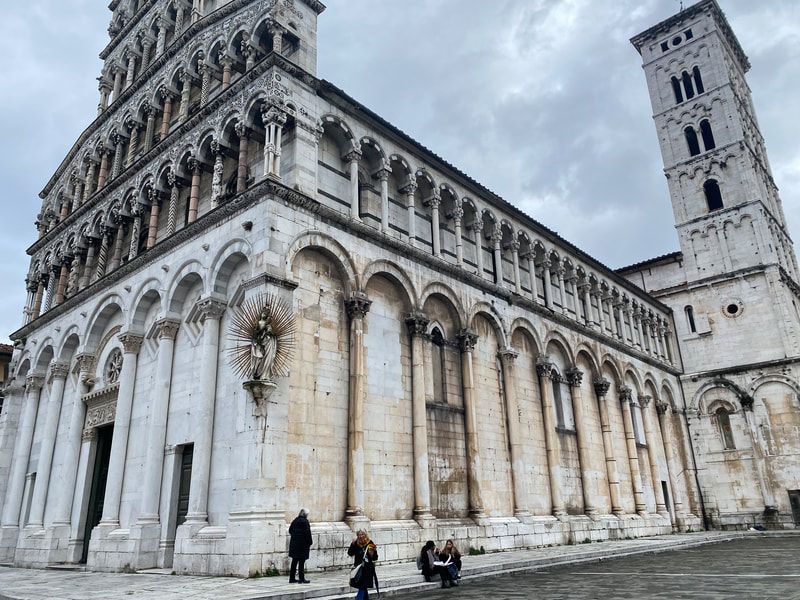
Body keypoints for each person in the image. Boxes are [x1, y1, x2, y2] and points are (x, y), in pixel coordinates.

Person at [348, 529, 378, 600]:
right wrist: (352, 545)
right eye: (359, 535)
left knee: (363, 586)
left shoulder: (370, 543)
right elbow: (350, 553)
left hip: (367, 569)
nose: (361, 536)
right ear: (357, 535)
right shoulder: (355, 543)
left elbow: (375, 557)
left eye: (362, 534)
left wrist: (372, 553)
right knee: (363, 586)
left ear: (365, 535)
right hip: (359, 568)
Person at [288, 508, 313, 584]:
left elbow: (290, 530)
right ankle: (301, 579)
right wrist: (310, 542)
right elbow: (307, 533)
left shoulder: (295, 520)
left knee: (294, 561)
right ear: (305, 515)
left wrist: (295, 537)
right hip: (302, 545)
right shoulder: (305, 522)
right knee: (301, 562)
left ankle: (292, 578)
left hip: (294, 544)